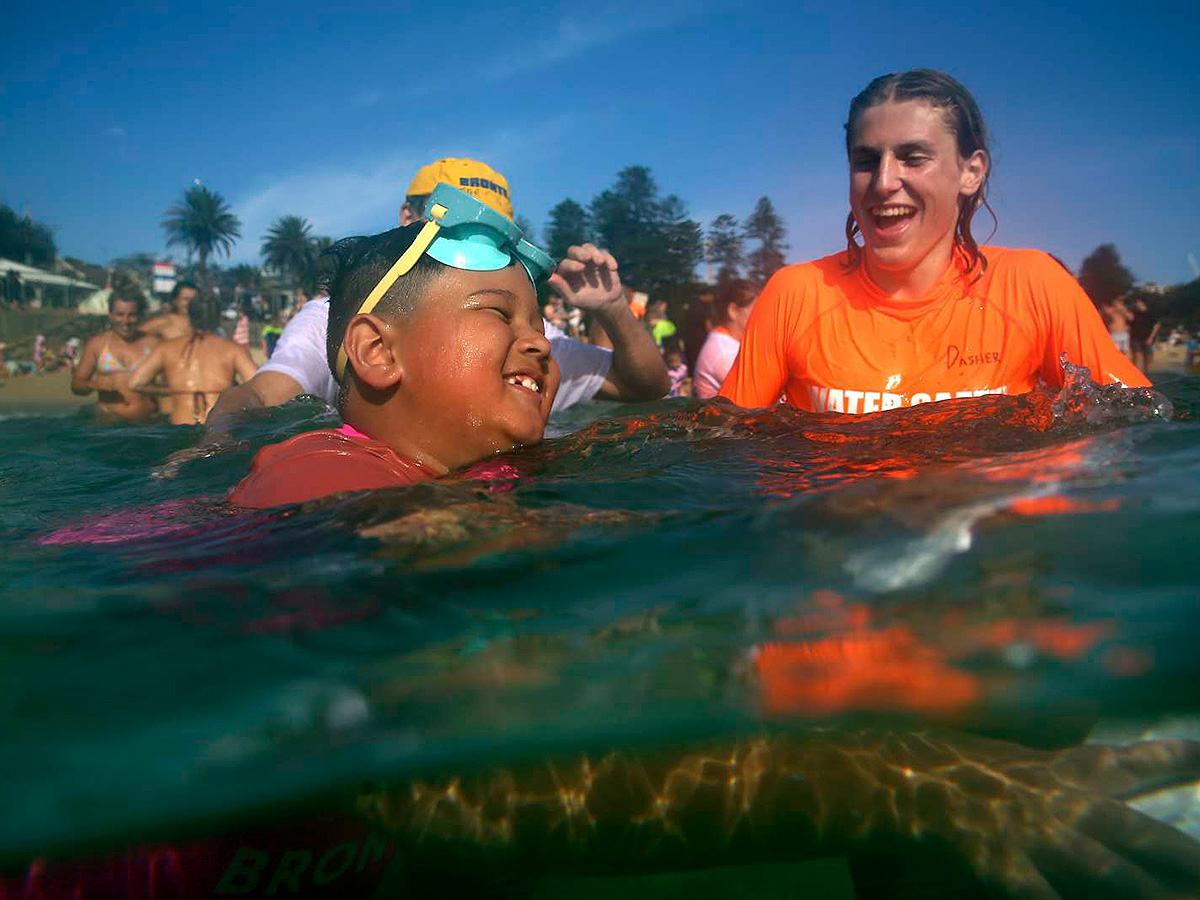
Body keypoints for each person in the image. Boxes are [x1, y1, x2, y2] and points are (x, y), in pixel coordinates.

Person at [720, 69, 1148, 414]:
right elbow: (719, 457)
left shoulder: (1030, 286)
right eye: (866, 161)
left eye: (913, 157)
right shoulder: (796, 295)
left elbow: (1140, 429)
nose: (884, 182)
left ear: (971, 172)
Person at [206, 159, 667, 440]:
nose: (477, 256)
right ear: (407, 218)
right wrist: (214, 450)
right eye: (456, 231)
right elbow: (257, 400)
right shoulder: (334, 322)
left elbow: (646, 386)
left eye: (496, 241)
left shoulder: (526, 348)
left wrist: (612, 309)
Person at [228, 184, 564, 509]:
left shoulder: (469, 473)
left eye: (539, 328)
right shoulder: (320, 471)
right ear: (378, 351)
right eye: (498, 312)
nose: (540, 343)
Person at [128, 296, 258, 425]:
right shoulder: (233, 350)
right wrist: (231, 391)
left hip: (180, 428)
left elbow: (135, 383)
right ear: (218, 318)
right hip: (217, 430)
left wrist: (172, 390)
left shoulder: (167, 349)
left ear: (189, 317)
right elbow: (258, 384)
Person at [71, 293, 160, 421]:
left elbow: (170, 384)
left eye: (132, 315)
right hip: (109, 424)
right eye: (119, 314)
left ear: (140, 316)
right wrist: (93, 384)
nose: (125, 321)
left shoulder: (153, 344)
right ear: (110, 315)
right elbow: (76, 385)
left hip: (147, 426)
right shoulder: (97, 344)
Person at [693, 278, 758, 399]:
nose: (764, 318)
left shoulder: (727, 343)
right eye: (757, 311)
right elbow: (765, 400)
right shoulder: (726, 354)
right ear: (733, 311)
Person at [1128, 296, 1160, 374]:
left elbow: (1156, 326)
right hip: (1135, 338)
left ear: (1143, 303)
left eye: (1138, 302)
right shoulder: (1133, 313)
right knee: (1136, 357)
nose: (1136, 304)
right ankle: (1135, 374)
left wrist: (1151, 338)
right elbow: (1129, 325)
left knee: (1147, 357)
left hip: (1147, 337)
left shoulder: (1151, 312)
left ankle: (1147, 374)